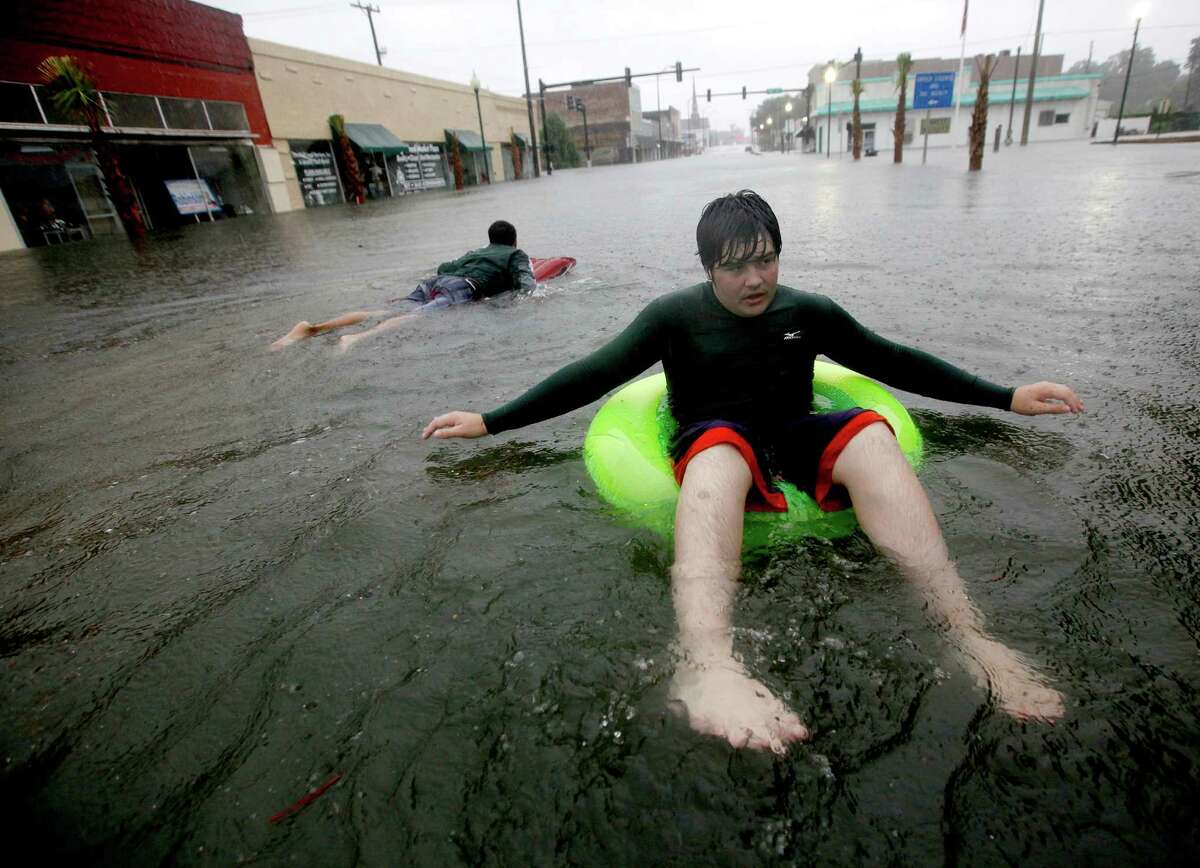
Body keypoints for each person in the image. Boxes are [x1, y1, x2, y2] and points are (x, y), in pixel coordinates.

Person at [422, 190, 1085, 754]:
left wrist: (1006, 396)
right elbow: (593, 374)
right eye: (736, 266)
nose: (755, 280)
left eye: (766, 259)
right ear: (708, 267)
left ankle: (969, 638)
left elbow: (895, 361)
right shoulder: (673, 319)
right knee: (717, 456)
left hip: (794, 431)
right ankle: (705, 665)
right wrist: (490, 421)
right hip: (714, 437)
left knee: (874, 438)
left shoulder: (807, 312)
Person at [271, 220, 536, 351]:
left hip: (434, 283)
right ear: (514, 240)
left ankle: (312, 328)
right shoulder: (515, 254)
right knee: (413, 318)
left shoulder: (475, 252)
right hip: (462, 288)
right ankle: (356, 338)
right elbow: (526, 282)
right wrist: (525, 298)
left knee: (383, 311)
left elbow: (444, 267)